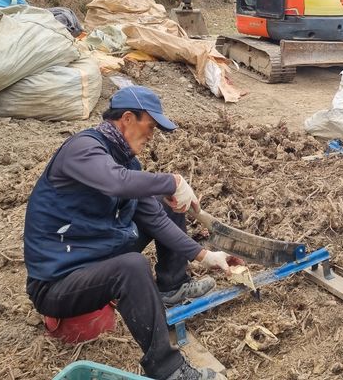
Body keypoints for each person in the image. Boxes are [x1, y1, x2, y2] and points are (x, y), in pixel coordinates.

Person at [23, 86, 240, 380]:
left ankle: (172, 286)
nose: (151, 135)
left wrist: (206, 256)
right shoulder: (82, 149)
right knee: (132, 267)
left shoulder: (127, 163)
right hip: (58, 282)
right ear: (127, 118)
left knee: (166, 207)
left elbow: (155, 219)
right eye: (150, 126)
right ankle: (169, 369)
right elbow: (117, 182)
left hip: (97, 258)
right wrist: (172, 180)